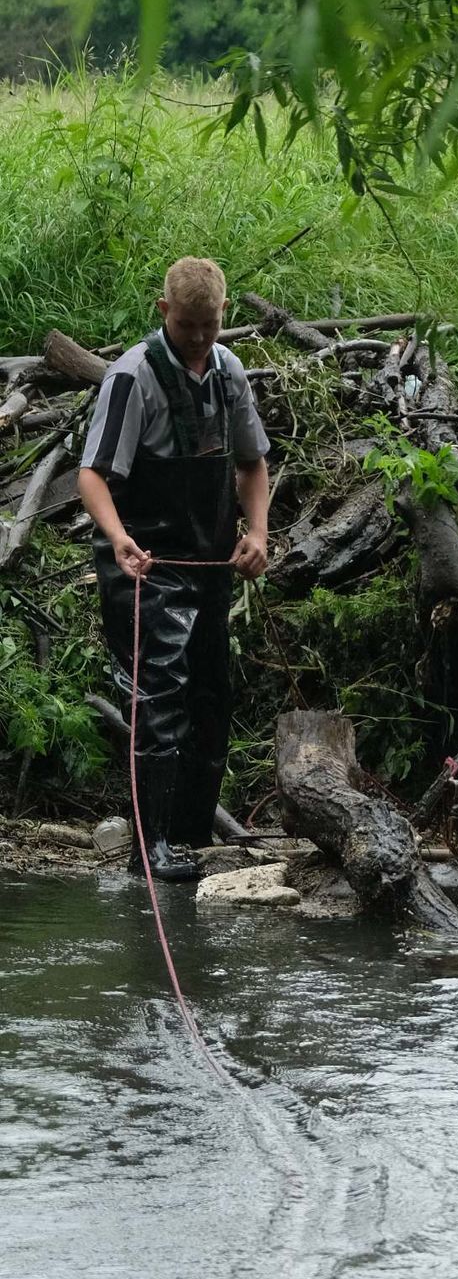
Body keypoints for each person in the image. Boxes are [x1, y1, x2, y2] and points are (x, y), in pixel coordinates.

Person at [78, 256, 270, 882]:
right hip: (144, 565)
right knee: (157, 700)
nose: (200, 338)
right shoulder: (132, 377)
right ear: (165, 313)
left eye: (210, 325)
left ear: (224, 315)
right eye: (189, 325)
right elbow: (93, 475)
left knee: (213, 696)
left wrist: (258, 533)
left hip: (211, 561)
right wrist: (119, 539)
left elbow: (251, 465)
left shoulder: (229, 371)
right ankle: (148, 847)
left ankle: (189, 835)